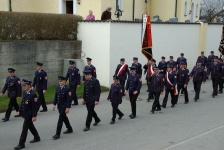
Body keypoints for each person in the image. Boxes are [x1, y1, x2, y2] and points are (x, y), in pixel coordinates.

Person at [14, 79, 40, 150]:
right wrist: (19, 110)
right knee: (30, 126)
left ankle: (21, 144)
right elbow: (23, 102)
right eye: (23, 85)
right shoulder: (25, 92)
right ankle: (37, 137)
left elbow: (35, 106)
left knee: (24, 128)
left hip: (29, 114)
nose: (24, 87)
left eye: (25, 85)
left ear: (29, 85)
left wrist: (34, 116)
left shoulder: (33, 94)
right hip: (25, 113)